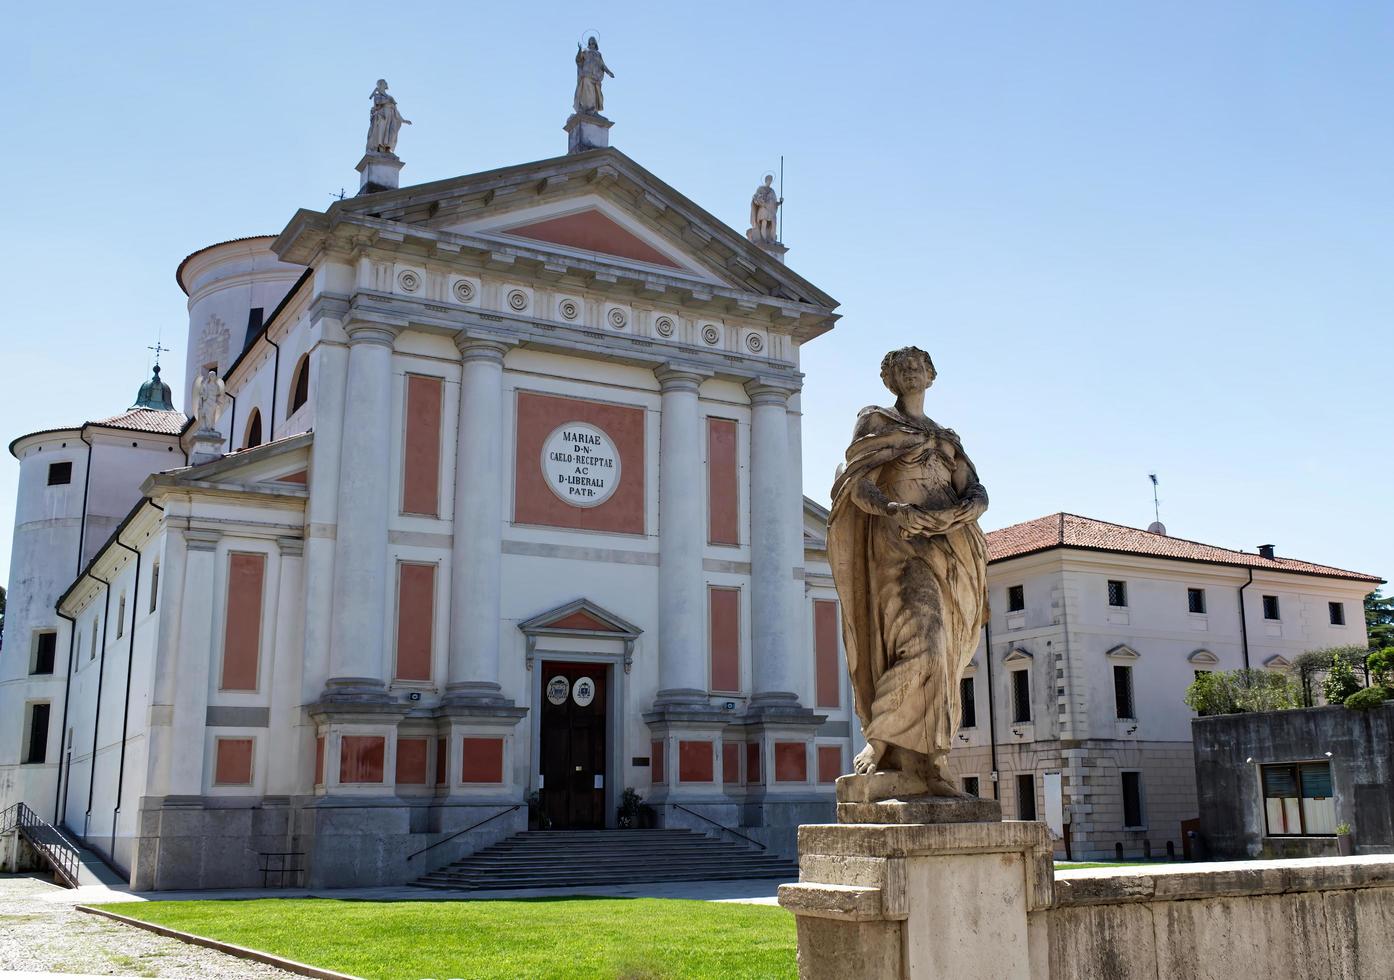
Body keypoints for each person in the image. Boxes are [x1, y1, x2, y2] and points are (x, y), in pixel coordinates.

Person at [827, 347, 989, 798]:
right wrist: (891, 508)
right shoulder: (876, 423)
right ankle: (880, 742)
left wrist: (968, 508)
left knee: (946, 654)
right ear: (890, 381)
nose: (911, 372)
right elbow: (854, 484)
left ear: (931, 375)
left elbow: (973, 489)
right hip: (899, 544)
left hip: (950, 544)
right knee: (925, 637)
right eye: (901, 368)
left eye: (918, 365)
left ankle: (933, 760)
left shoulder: (947, 437)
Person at [366, 79, 411, 155]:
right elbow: (377, 103)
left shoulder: (390, 97)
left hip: (391, 117)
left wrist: (403, 120)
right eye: (385, 83)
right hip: (382, 116)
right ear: (381, 84)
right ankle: (379, 147)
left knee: (392, 132)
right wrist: (387, 100)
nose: (386, 84)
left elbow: (396, 111)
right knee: (381, 130)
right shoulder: (377, 95)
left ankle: (387, 147)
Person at [573, 38, 615, 114]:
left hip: (596, 77)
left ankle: (594, 110)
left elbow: (602, 65)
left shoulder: (598, 54)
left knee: (596, 93)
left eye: (593, 43)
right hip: (586, 74)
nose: (592, 45)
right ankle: (588, 108)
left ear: (595, 44)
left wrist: (609, 72)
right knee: (589, 92)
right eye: (590, 43)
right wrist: (579, 50)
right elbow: (578, 59)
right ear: (588, 44)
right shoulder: (585, 51)